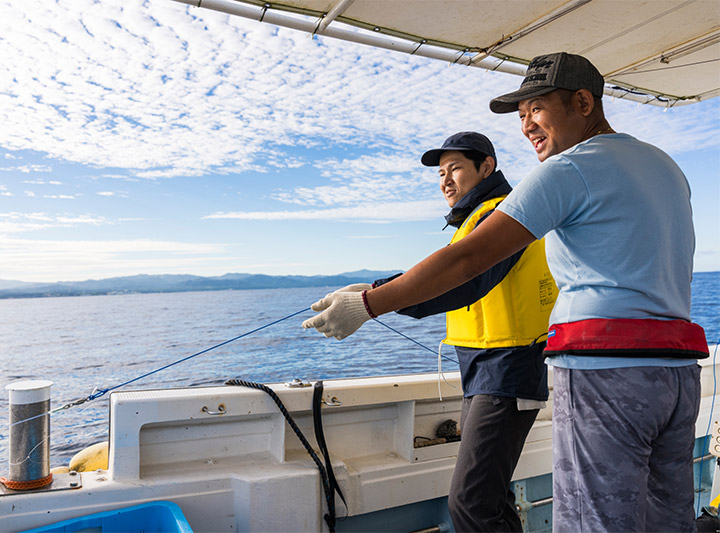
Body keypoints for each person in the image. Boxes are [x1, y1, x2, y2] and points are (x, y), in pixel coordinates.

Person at [302, 52, 710, 532]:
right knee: (668, 520)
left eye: (536, 109)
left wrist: (367, 303)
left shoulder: (569, 169)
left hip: (609, 377)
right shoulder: (664, 165)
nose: (527, 126)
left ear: (583, 102)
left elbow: (470, 259)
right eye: (521, 117)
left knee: (595, 523)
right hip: (678, 377)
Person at [357, 131, 556, 532]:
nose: (446, 180)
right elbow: (443, 269)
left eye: (456, 169)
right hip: (483, 370)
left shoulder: (505, 216)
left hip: (509, 369)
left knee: (470, 503)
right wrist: (377, 289)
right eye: (441, 173)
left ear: (487, 167)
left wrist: (375, 302)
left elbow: (461, 277)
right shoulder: (477, 220)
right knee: (490, 499)